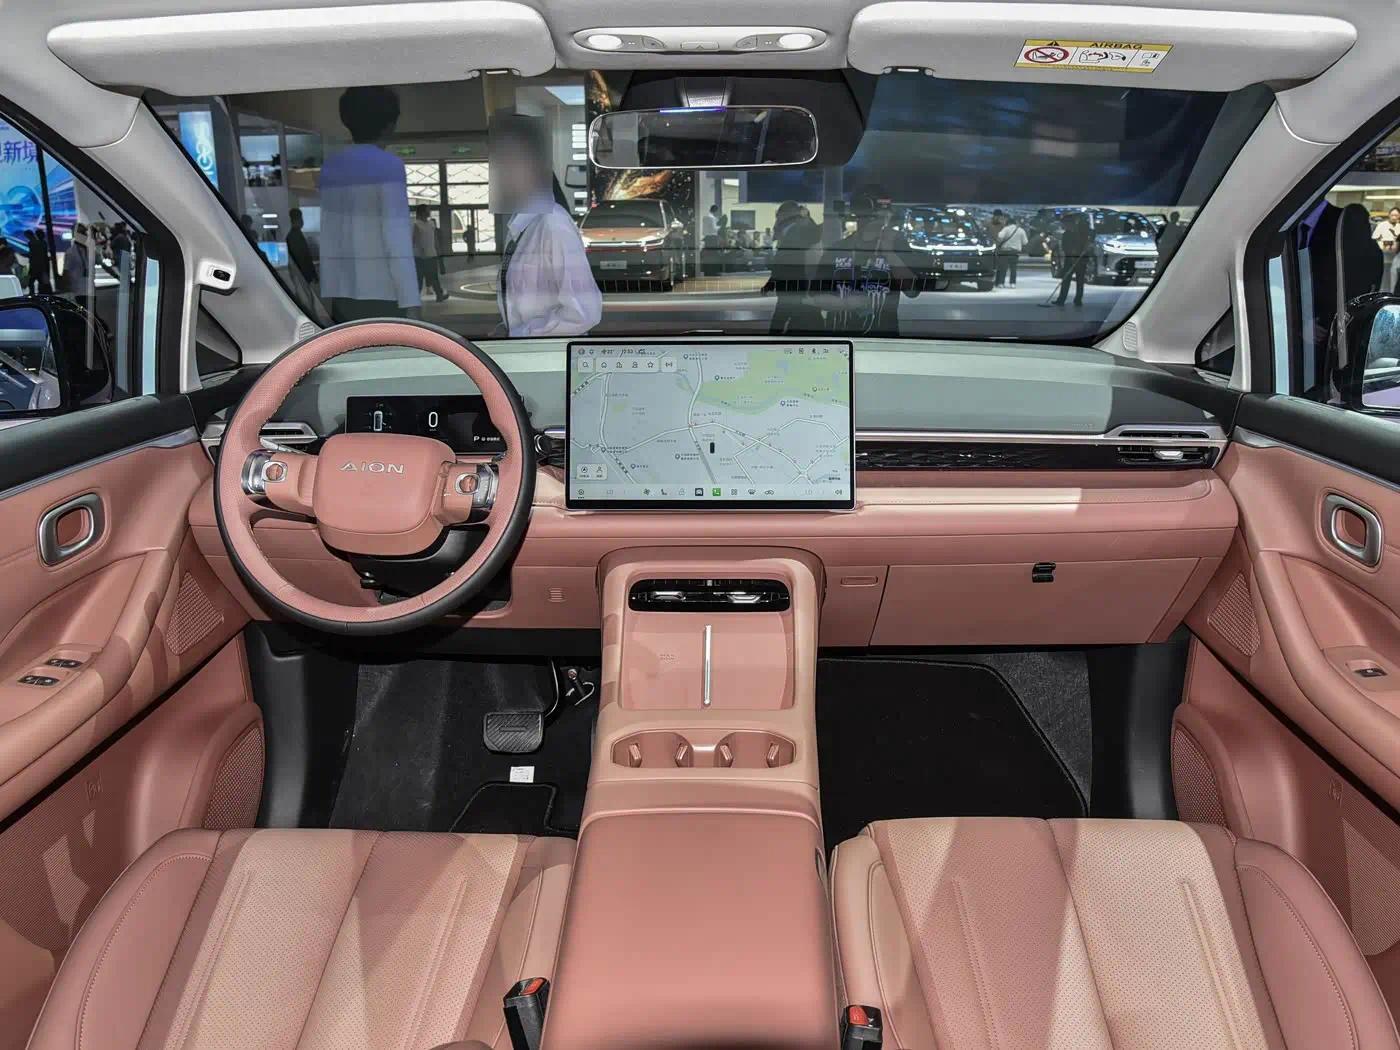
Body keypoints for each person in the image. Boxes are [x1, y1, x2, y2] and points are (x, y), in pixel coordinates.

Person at [490, 114, 601, 337]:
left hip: (549, 353)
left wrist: (518, 335)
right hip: (528, 350)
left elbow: (583, 313)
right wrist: (507, 328)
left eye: (512, 160)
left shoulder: (553, 225)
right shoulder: (520, 226)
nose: (502, 171)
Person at [318, 85, 420, 323]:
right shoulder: (388, 165)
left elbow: (329, 235)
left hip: (341, 294)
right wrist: (411, 300)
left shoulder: (331, 165)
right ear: (389, 125)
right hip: (384, 294)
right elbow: (396, 239)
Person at [817, 188, 920, 336]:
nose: (883, 217)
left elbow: (912, 291)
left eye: (886, 211)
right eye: (879, 212)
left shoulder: (897, 245)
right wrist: (846, 304)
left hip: (883, 340)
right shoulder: (838, 249)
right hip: (839, 339)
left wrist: (889, 252)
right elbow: (815, 296)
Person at [763, 200, 822, 335]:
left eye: (778, 216)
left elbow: (785, 260)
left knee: (782, 320)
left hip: (794, 284)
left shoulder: (795, 231)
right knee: (799, 319)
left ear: (784, 215)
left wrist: (773, 281)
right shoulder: (797, 230)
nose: (776, 220)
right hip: (796, 285)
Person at [1051, 212, 1091, 306]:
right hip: (1069, 260)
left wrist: (1082, 252)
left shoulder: (1082, 234)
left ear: (1071, 223)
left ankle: (1078, 300)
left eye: (1066, 223)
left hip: (1080, 260)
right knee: (1066, 279)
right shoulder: (1066, 234)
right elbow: (1065, 247)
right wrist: (1070, 254)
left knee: (1080, 280)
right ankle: (1061, 299)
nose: (1065, 226)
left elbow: (1086, 246)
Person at [411, 204, 447, 302]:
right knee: (419, 278)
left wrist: (438, 251)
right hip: (420, 257)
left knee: (434, 277)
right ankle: (414, 298)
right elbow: (415, 240)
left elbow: (435, 239)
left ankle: (439, 295)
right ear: (422, 212)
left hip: (431, 254)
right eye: (428, 210)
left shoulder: (431, 224)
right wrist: (421, 251)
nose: (429, 212)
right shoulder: (416, 224)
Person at [994, 212, 1028, 288]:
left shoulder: (1006, 229)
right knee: (1013, 268)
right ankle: (1012, 283)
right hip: (1015, 252)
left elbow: (1000, 236)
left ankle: (1001, 283)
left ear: (1008, 223)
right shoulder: (1021, 230)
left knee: (1003, 268)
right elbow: (1025, 242)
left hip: (1005, 252)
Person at [285, 207, 317, 286]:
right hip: (302, 276)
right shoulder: (294, 237)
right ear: (297, 220)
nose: (302, 221)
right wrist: (312, 275)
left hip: (301, 276)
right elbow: (302, 258)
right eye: (301, 219)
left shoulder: (295, 235)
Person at [1373, 207, 1400, 293]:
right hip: (1383, 256)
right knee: (1383, 279)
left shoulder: (1399, 226)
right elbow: (1374, 239)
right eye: (1392, 215)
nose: (1394, 217)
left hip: (1396, 257)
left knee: (1394, 280)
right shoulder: (1382, 225)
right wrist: (1383, 244)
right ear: (1389, 215)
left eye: (1396, 215)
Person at [60, 223, 91, 295]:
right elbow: (66, 271)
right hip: (77, 290)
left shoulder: (88, 251)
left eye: (85, 233)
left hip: (89, 289)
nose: (85, 235)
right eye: (82, 233)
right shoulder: (71, 252)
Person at [24, 229, 50, 293]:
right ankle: (40, 293)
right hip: (41, 265)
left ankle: (32, 293)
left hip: (34, 265)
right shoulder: (42, 243)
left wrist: (24, 255)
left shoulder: (32, 243)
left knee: (31, 281)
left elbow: (32, 254)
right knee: (40, 281)